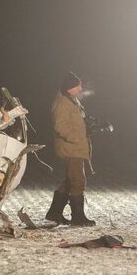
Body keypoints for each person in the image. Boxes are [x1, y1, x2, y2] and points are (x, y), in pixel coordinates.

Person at [45, 72, 96, 226]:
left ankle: (55, 213)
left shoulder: (71, 100)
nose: (80, 88)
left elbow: (76, 120)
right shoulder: (62, 103)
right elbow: (61, 126)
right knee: (78, 180)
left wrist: (88, 126)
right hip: (70, 148)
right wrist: (76, 137)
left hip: (75, 147)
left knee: (70, 180)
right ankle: (78, 217)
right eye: (77, 85)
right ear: (69, 88)